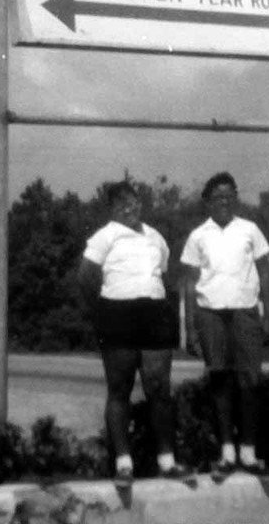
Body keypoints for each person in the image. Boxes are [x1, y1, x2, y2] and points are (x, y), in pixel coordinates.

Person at [78, 181, 191, 486]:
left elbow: (163, 275)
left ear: (141, 203)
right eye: (121, 203)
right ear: (112, 209)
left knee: (159, 388)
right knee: (120, 388)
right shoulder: (105, 236)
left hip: (153, 313)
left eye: (133, 201)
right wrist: (101, 310)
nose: (129, 207)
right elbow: (86, 277)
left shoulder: (156, 237)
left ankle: (167, 461)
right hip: (116, 314)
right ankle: (123, 464)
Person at [181, 172, 269, 476]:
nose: (224, 201)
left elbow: (264, 273)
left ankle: (249, 453)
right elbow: (189, 284)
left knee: (249, 381)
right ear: (207, 202)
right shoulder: (198, 235)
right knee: (220, 380)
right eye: (217, 197)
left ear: (235, 197)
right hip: (211, 315)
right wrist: (191, 328)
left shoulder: (249, 229)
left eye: (229, 195)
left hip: (245, 313)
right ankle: (227, 452)